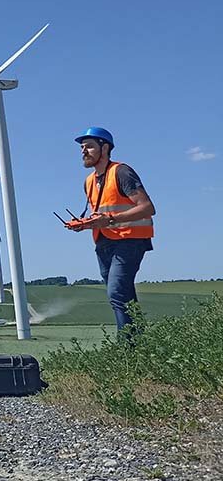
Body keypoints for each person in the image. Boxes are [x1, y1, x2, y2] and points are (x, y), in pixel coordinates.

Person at [69, 127, 156, 334]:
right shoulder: (89, 181)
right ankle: (140, 342)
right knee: (123, 295)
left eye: (89, 146)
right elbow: (101, 215)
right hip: (104, 242)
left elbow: (147, 208)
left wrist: (109, 220)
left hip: (130, 240)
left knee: (117, 292)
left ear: (104, 147)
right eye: (82, 147)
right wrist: (85, 224)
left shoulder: (122, 171)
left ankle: (127, 347)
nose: (83, 151)